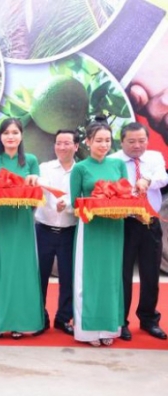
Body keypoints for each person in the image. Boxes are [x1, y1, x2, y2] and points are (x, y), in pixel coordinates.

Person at [0, 117, 44, 339]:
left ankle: (21, 322)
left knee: (23, 270)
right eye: (6, 133)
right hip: (2, 220)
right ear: (0, 137)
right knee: (1, 270)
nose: (11, 136)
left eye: (15, 132)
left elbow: (38, 193)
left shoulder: (30, 160)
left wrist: (34, 180)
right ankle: (0, 321)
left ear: (21, 136)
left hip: (23, 221)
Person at [71, 118, 128, 347]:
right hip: (90, 229)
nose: (104, 145)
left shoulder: (118, 166)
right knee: (89, 278)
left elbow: (125, 195)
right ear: (88, 141)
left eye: (107, 140)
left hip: (114, 228)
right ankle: (88, 331)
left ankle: (109, 329)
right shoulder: (80, 168)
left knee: (111, 277)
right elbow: (76, 203)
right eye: (99, 140)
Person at [109, 122, 168, 341]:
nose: (137, 146)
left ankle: (149, 319)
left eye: (141, 141)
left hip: (150, 223)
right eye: (131, 141)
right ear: (122, 141)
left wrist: (148, 180)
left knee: (151, 274)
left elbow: (164, 177)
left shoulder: (154, 158)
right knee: (122, 275)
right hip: (124, 222)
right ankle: (120, 321)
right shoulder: (113, 160)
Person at [33, 130, 79, 336]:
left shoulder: (81, 171)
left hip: (70, 231)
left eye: (67, 143)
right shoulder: (44, 168)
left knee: (68, 277)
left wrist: (68, 206)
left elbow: (83, 197)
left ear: (76, 146)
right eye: (58, 143)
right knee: (39, 276)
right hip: (44, 230)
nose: (62, 147)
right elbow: (36, 191)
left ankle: (63, 318)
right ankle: (39, 318)